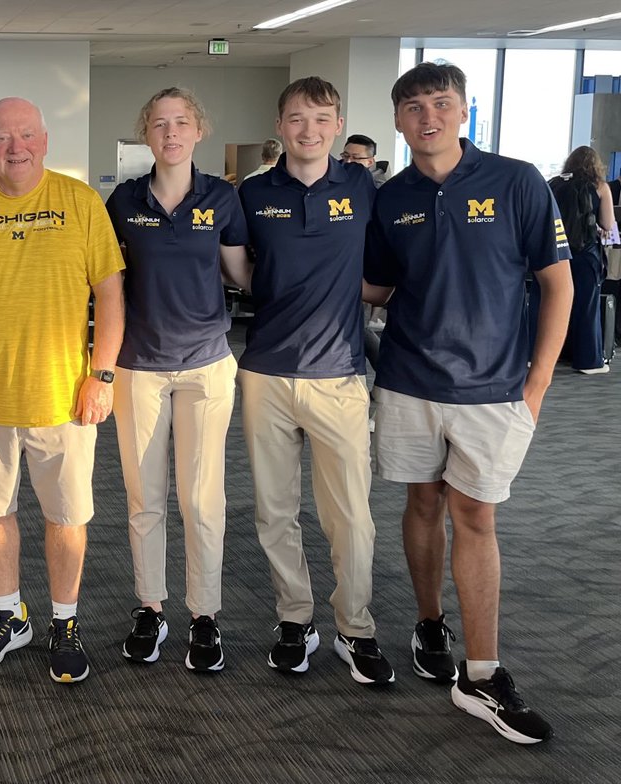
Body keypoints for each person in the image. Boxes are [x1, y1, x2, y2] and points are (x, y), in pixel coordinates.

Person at [365, 62, 572, 745]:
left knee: (475, 514)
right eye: (416, 106)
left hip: (492, 388)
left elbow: (557, 283)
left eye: (442, 103)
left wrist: (538, 381)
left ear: (462, 113)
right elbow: (381, 289)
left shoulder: (516, 181)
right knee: (421, 502)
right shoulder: (389, 199)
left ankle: (481, 672)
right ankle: (430, 622)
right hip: (408, 380)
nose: (430, 117)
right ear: (398, 120)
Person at [0, 97, 125, 684]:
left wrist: (103, 373)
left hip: (65, 397)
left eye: (26, 136)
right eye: (3, 138)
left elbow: (110, 292)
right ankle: (11, 615)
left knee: (66, 515)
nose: (16, 147)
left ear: (44, 141)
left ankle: (64, 619)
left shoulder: (79, 203)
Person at [237, 77, 392, 685]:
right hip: (266, 373)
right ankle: (294, 619)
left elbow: (386, 266)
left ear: (337, 124)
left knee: (350, 514)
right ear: (281, 126)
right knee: (275, 510)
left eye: (322, 118)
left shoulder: (363, 188)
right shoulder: (252, 194)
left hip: (339, 375)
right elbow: (239, 265)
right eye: (297, 118)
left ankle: (355, 627)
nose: (309, 130)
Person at [104, 87, 249, 671]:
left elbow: (241, 272)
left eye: (181, 122)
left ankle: (204, 614)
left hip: (206, 365)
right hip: (138, 366)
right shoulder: (123, 201)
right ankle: (150, 607)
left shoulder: (222, 198)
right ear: (147, 133)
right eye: (160, 123)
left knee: (200, 497)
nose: (170, 132)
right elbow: (104, 282)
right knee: (145, 497)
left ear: (198, 130)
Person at [535, 146, 615, 374]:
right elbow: (608, 224)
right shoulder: (599, 186)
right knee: (586, 305)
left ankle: (540, 356)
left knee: (547, 303)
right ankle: (588, 361)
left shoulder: (553, 183)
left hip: (553, 253)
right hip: (585, 252)